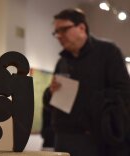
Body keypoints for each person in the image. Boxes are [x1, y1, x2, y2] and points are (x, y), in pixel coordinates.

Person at [43, 8, 130, 156]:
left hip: (96, 139)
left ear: (82, 28)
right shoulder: (62, 61)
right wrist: (50, 91)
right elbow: (50, 103)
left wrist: (92, 100)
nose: (59, 36)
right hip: (63, 137)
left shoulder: (108, 52)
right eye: (56, 32)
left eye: (63, 30)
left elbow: (124, 92)